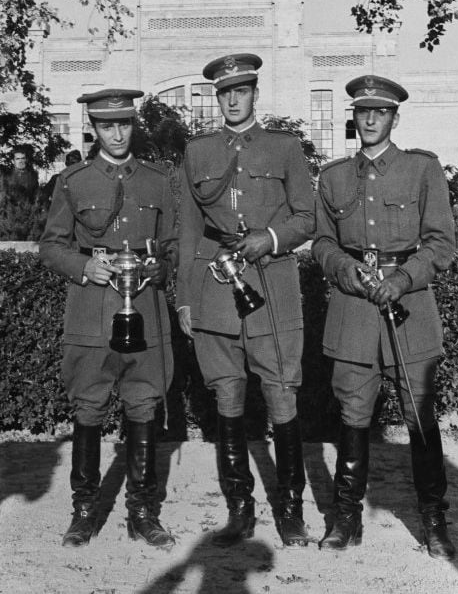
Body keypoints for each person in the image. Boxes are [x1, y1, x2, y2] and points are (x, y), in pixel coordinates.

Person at [312, 74, 456, 559]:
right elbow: (323, 242)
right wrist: (341, 268)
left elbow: (441, 242)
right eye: (362, 111)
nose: (371, 118)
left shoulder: (422, 170)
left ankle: (434, 520)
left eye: (381, 111)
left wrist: (403, 278)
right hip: (353, 308)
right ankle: (346, 517)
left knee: (419, 415)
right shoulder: (332, 176)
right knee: (352, 413)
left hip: (407, 305)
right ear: (352, 117)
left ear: (395, 117)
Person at [177, 53, 315, 547]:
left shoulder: (284, 148)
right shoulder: (198, 152)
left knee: (282, 396)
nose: (233, 99)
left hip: (271, 285)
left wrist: (272, 238)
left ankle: (292, 509)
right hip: (215, 286)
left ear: (256, 92)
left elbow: (307, 217)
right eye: (224, 92)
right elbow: (189, 229)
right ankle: (240, 508)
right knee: (227, 398)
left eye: (241, 90)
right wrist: (185, 299)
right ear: (217, 97)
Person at [39, 89, 178, 549]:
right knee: (89, 405)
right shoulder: (73, 180)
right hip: (92, 305)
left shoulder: (158, 180)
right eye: (107, 125)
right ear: (93, 128)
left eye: (124, 124)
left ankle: (142, 510)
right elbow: (51, 246)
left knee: (144, 404)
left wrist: (162, 266)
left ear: (132, 125)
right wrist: (83, 267)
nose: (117, 133)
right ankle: (84, 511)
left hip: (144, 303)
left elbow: (172, 244)